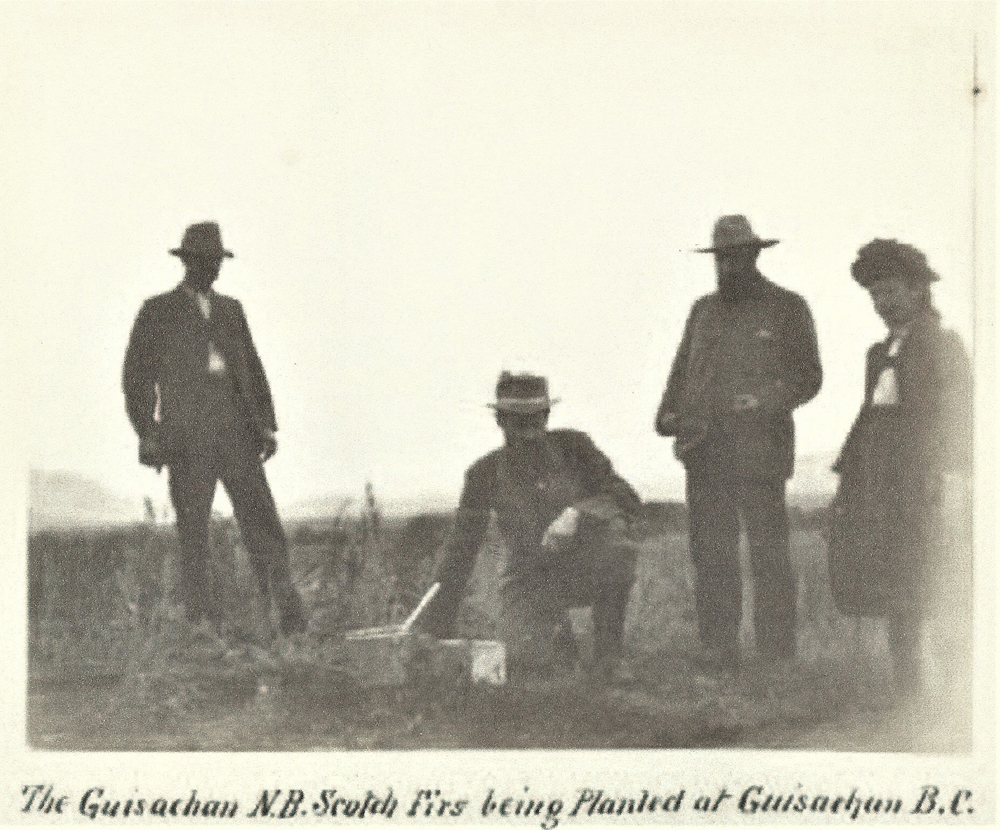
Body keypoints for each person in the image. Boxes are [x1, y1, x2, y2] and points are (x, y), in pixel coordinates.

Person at [655, 215, 822, 672]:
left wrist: (764, 401)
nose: (728, 265)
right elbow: (681, 369)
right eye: (721, 257)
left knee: (769, 554)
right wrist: (667, 414)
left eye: (736, 256)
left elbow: (809, 378)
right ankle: (718, 649)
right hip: (704, 453)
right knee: (711, 554)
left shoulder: (787, 307)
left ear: (754, 255)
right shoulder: (702, 311)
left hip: (760, 453)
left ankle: (776, 655)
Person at [122, 221, 306, 636]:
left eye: (217, 262)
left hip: (237, 433)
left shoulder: (231, 310)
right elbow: (137, 377)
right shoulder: (158, 311)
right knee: (194, 532)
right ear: (188, 262)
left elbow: (251, 370)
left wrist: (265, 426)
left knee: (262, 521)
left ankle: (287, 619)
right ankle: (202, 627)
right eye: (206, 262)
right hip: (187, 439)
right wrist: (147, 433)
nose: (214, 270)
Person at [422, 372, 643, 682]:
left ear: (547, 415)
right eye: (517, 421)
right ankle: (558, 643)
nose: (528, 431)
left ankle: (610, 657)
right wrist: (432, 629)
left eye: (535, 419)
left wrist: (577, 512)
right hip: (528, 580)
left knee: (618, 543)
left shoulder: (575, 448)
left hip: (583, 566)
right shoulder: (483, 474)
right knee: (532, 668)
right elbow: (461, 551)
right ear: (500, 420)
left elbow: (625, 497)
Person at [827, 239, 972, 698]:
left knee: (937, 577)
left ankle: (956, 692)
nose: (881, 303)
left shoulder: (942, 344)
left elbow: (958, 417)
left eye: (890, 292)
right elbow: (872, 418)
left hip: (923, 480)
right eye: (875, 295)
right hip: (881, 482)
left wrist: (950, 482)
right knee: (895, 581)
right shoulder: (878, 352)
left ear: (917, 290)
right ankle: (907, 690)